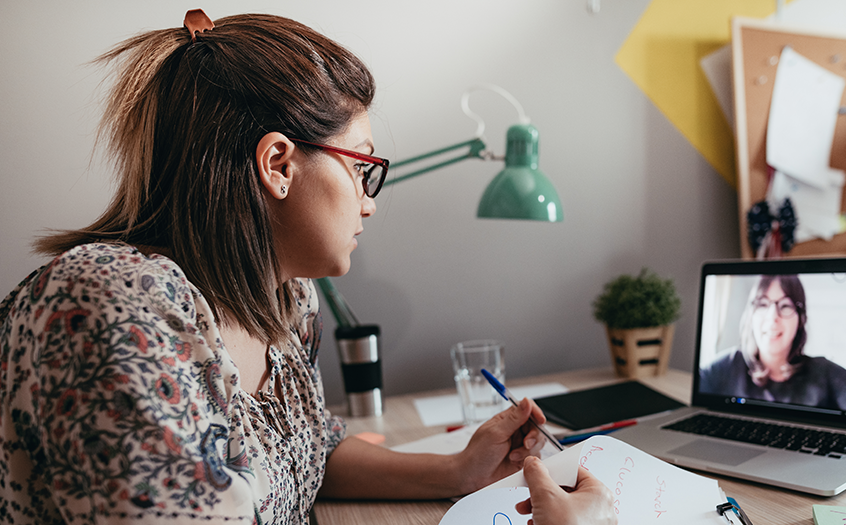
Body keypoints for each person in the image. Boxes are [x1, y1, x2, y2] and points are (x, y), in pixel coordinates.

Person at [0, 11, 616, 525]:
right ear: (278, 164)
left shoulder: (288, 303)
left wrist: (456, 470)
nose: (369, 201)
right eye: (361, 166)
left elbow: (309, 451)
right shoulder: (111, 303)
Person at [699, 275, 846, 417]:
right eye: (762, 304)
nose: (773, 318)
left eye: (785, 306)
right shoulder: (724, 368)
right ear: (751, 315)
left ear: (801, 319)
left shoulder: (824, 373)